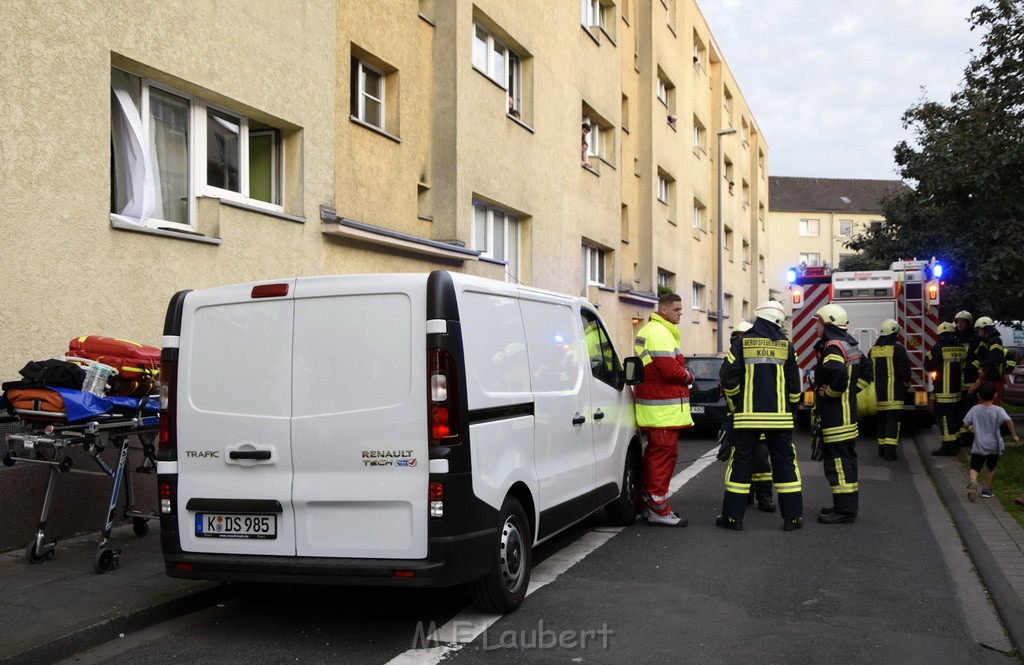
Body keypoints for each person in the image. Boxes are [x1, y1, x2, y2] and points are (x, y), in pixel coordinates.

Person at [716, 301, 803, 532]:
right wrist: (791, 407)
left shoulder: (743, 343)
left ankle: (733, 518)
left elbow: (727, 377)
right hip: (780, 418)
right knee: (785, 464)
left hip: (747, 418)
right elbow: (795, 385)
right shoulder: (786, 345)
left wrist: (737, 402)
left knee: (742, 464)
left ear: (759, 318)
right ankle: (792, 518)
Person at [633, 293, 695, 527]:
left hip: (658, 410)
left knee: (656, 458)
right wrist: (690, 376)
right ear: (664, 310)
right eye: (677, 309)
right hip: (662, 411)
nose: (680, 313)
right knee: (661, 460)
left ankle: (651, 506)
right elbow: (671, 371)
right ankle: (659, 510)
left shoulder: (655, 331)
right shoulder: (659, 333)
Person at [812, 303, 873, 525]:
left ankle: (845, 511)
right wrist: (850, 392)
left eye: (818, 322)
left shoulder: (833, 347)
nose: (816, 327)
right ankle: (845, 506)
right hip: (849, 418)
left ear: (827, 323)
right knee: (847, 463)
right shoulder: (850, 345)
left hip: (836, 419)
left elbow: (837, 373)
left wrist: (831, 393)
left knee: (837, 465)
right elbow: (867, 372)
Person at [716, 321, 776, 513]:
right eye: (737, 336)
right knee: (742, 460)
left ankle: (764, 496)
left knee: (760, 460)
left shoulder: (754, 360)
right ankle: (746, 495)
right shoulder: (735, 359)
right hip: (740, 420)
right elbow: (729, 388)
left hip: (756, 418)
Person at [964, 381, 1020, 501]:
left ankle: (973, 481)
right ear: (995, 395)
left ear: (978, 396)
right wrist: (1014, 435)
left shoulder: (975, 409)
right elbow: (1008, 420)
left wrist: (969, 427)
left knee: (975, 466)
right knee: (990, 467)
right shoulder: (998, 410)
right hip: (994, 445)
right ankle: (986, 490)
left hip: (979, 445)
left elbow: (965, 423)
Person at [870, 319, 912, 461]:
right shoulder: (898, 348)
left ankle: (881, 449)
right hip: (895, 394)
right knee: (893, 423)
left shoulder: (873, 350)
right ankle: (890, 452)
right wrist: (907, 384)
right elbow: (905, 371)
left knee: (881, 421)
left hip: (880, 394)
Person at [926, 321, 967, 456]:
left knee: (945, 418)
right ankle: (955, 443)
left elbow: (928, 365)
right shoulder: (961, 348)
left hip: (944, 391)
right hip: (957, 391)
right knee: (955, 417)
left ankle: (948, 447)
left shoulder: (938, 348)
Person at [955, 311, 986, 447]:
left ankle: (969, 437)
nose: (960, 324)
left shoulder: (976, 340)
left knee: (970, 410)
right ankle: (961, 435)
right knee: (959, 410)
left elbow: (983, 359)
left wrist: (972, 367)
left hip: (969, 381)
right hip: (956, 382)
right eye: (958, 322)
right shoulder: (954, 338)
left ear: (969, 324)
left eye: (963, 322)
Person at [975, 316, 1007, 405]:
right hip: (992, 377)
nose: (978, 332)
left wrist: (984, 371)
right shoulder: (991, 340)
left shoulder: (994, 340)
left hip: (993, 378)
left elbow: (993, 360)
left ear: (985, 329)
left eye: (979, 329)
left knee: (991, 404)